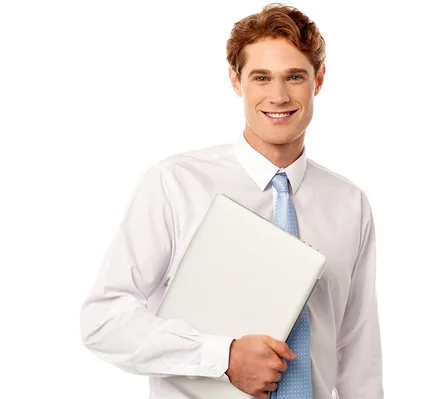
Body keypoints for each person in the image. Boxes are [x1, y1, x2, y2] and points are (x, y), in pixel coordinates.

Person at [80, 3, 383, 398]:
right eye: (261, 77)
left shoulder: (349, 204)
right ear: (236, 81)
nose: (278, 96)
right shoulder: (176, 185)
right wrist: (222, 356)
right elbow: (102, 321)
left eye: (294, 76)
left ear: (318, 80)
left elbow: (357, 350)